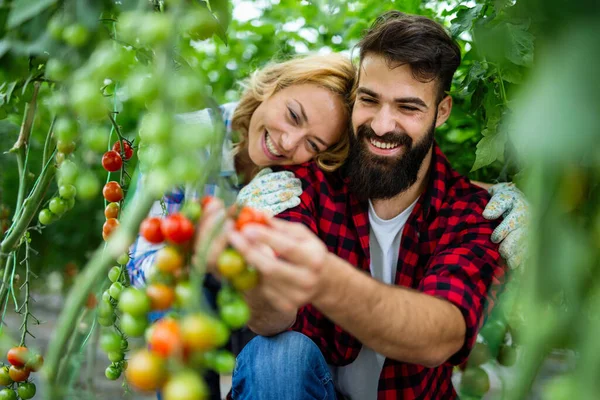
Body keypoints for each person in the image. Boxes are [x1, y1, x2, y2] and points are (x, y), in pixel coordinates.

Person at [205, 11, 512, 400]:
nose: (383, 125)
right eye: (369, 100)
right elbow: (272, 319)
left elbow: (441, 337)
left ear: (442, 111)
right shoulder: (306, 184)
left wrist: (321, 274)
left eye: (408, 107)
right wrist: (251, 271)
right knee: (277, 355)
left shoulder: (470, 212)